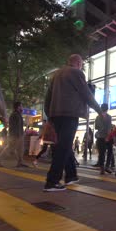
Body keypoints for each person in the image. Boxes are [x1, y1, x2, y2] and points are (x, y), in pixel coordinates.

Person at [43, 54, 102, 191]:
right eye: (81, 64)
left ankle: (71, 175)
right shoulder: (76, 73)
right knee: (63, 147)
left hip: (55, 114)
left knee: (64, 145)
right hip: (70, 114)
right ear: (79, 63)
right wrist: (99, 111)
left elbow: (48, 97)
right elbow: (86, 94)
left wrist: (50, 115)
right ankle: (52, 181)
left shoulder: (56, 74)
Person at [0, 102, 26, 168]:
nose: (22, 108)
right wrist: (17, 135)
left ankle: (20, 162)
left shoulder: (18, 115)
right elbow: (14, 127)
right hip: (15, 135)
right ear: (18, 107)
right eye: (21, 106)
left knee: (20, 149)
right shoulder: (14, 115)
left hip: (19, 135)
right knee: (9, 148)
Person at [95, 103, 113, 174]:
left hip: (100, 137)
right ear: (107, 109)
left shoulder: (97, 117)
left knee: (101, 153)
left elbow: (96, 127)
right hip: (108, 137)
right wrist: (108, 137)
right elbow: (109, 128)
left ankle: (102, 169)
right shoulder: (109, 117)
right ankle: (107, 166)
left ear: (101, 108)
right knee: (110, 152)